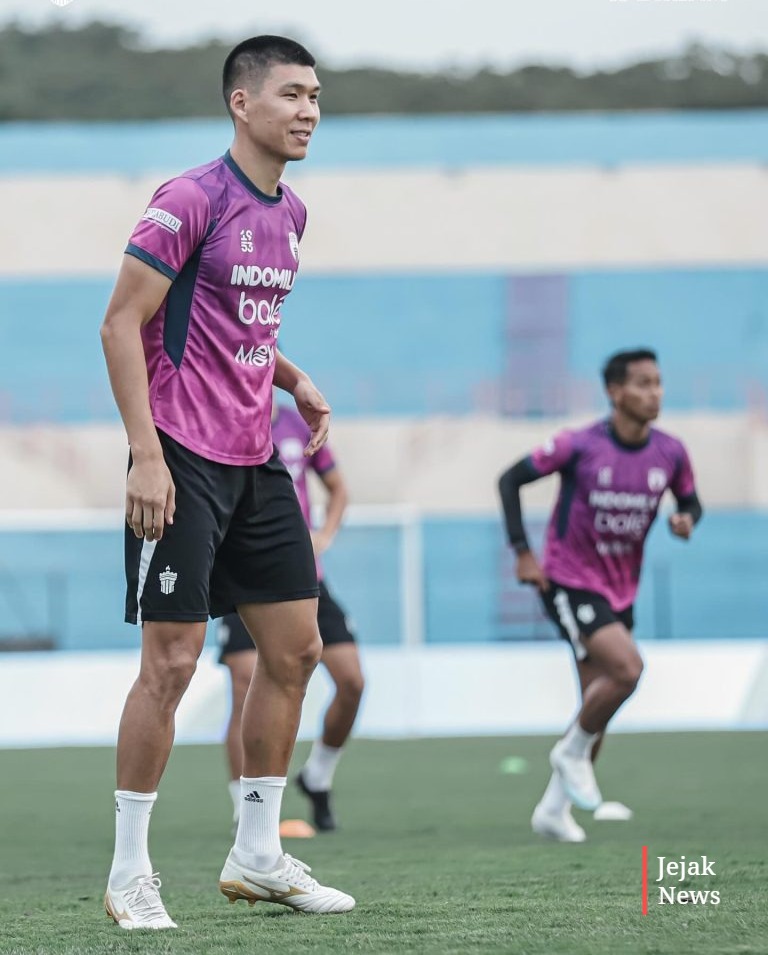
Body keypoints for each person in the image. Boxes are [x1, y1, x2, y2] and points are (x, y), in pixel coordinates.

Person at [99, 35, 355, 930]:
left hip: (257, 464)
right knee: (168, 667)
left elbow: (233, 324)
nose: (309, 110)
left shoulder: (292, 214)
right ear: (242, 103)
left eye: (316, 95)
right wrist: (145, 454)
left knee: (297, 651)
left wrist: (293, 377)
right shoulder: (188, 199)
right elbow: (121, 322)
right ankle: (130, 871)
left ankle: (257, 854)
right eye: (292, 94)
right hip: (180, 462)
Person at [498, 349, 702, 843]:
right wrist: (523, 552)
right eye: (643, 383)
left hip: (620, 588)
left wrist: (686, 520)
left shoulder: (671, 452)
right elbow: (510, 479)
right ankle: (568, 755)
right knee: (627, 669)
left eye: (658, 382)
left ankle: (551, 810)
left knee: (596, 705)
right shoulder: (579, 445)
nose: (655, 392)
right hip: (568, 580)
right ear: (615, 392)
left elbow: (691, 499)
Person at [219, 395, 365, 833]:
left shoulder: (298, 427)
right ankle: (244, 805)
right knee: (244, 684)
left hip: (304, 576)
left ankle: (318, 773)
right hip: (244, 576)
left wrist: (323, 536)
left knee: (352, 681)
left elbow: (338, 488)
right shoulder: (224, 422)